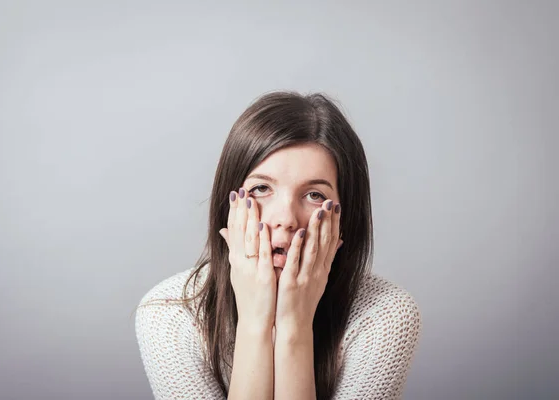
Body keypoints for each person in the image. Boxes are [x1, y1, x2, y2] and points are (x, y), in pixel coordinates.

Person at [135, 91, 422, 400]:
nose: (285, 219)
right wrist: (255, 324)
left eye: (314, 194)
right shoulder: (170, 314)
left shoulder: (385, 315)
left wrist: (294, 328)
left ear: (344, 215)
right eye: (261, 188)